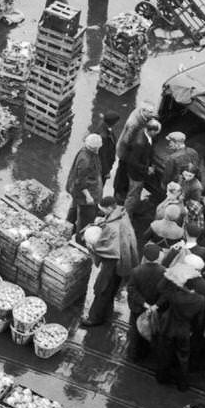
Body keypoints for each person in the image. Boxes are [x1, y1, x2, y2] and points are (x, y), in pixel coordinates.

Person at [81, 195, 137, 327]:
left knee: (102, 289)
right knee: (112, 289)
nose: (102, 212)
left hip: (113, 263)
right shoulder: (121, 213)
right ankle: (107, 310)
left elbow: (108, 249)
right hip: (124, 261)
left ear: (110, 208)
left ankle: (95, 318)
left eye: (103, 210)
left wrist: (92, 247)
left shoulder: (113, 228)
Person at [155, 276, 205, 391]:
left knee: (165, 354)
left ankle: (162, 377)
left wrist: (168, 275)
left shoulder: (175, 295)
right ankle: (182, 384)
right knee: (183, 358)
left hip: (169, 327)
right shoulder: (200, 300)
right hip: (184, 330)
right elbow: (199, 320)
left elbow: (160, 288)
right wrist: (193, 330)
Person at [126, 241, 164, 361]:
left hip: (138, 307)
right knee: (151, 329)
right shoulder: (164, 272)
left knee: (136, 330)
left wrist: (144, 304)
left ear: (145, 256)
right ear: (158, 257)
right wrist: (155, 306)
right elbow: (166, 293)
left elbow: (132, 290)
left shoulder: (136, 271)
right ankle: (146, 352)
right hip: (155, 309)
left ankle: (134, 354)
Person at [66, 133, 104, 234]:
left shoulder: (87, 153)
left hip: (80, 190)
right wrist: (88, 196)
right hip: (84, 194)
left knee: (74, 208)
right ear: (94, 148)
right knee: (85, 219)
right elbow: (80, 181)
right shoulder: (85, 161)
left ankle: (68, 226)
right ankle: (80, 237)